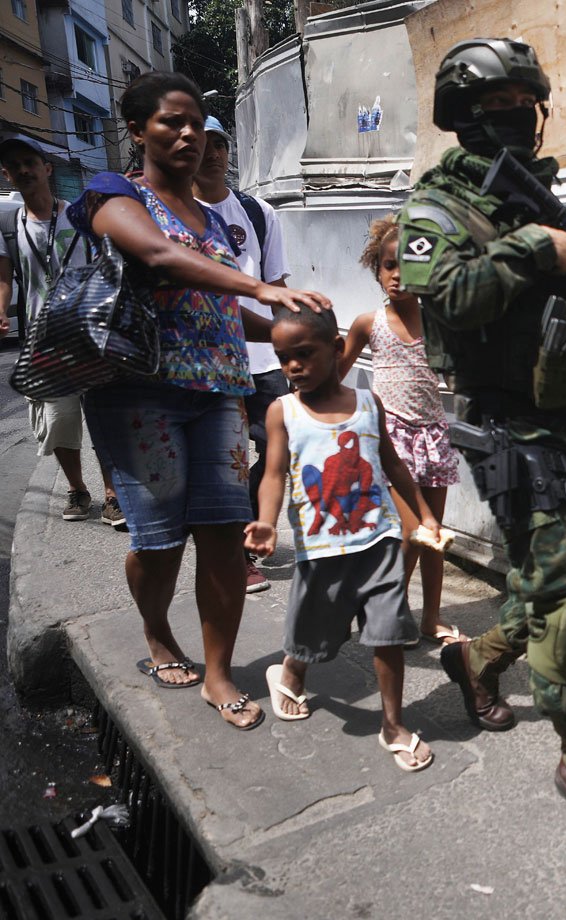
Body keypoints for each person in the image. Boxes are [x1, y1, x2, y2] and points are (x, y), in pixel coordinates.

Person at [397, 38, 566, 833]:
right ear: (461, 119)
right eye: (492, 106)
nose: (512, 118)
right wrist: (533, 247)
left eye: (521, 105)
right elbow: (446, 295)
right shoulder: (435, 211)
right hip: (512, 425)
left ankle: (475, 660)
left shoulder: (552, 204)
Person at [67, 71, 330, 730]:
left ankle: (218, 673)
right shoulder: (113, 195)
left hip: (218, 390)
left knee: (222, 536)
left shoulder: (217, 220)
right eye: (170, 123)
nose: (187, 135)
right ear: (137, 130)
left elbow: (218, 308)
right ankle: (158, 636)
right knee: (159, 543)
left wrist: (295, 331)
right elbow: (158, 257)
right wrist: (262, 287)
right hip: (137, 395)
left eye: (196, 125)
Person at [244, 307, 439, 771]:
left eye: (304, 354)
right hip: (321, 547)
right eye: (283, 357)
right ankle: (290, 671)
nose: (293, 366)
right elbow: (272, 475)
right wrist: (267, 521)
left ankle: (393, 724)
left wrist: (425, 514)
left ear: (336, 349)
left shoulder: (368, 404)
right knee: (319, 629)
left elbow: (393, 464)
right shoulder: (283, 411)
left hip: (380, 541)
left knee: (388, 631)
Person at [340, 215, 465, 646]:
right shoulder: (367, 323)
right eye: (389, 266)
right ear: (377, 270)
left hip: (433, 436)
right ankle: (387, 612)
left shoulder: (439, 325)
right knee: (413, 532)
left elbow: (456, 378)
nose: (398, 276)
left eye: (409, 266)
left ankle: (430, 618)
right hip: (391, 441)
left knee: (433, 538)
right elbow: (332, 375)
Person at [0, 136, 123, 527]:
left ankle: (112, 495)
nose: (23, 170)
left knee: (103, 417)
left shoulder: (80, 216)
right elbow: (4, 278)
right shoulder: (8, 225)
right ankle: (77, 489)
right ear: (7, 175)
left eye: (29, 162)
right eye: (14, 166)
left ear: (47, 168)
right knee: (58, 419)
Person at [194, 114, 292, 594]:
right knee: (226, 459)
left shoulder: (258, 212)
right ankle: (235, 551)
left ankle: (250, 526)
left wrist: (290, 338)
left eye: (220, 144)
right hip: (211, 362)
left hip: (265, 359)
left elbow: (276, 287)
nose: (212, 153)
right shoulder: (174, 215)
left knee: (279, 449)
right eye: (204, 143)